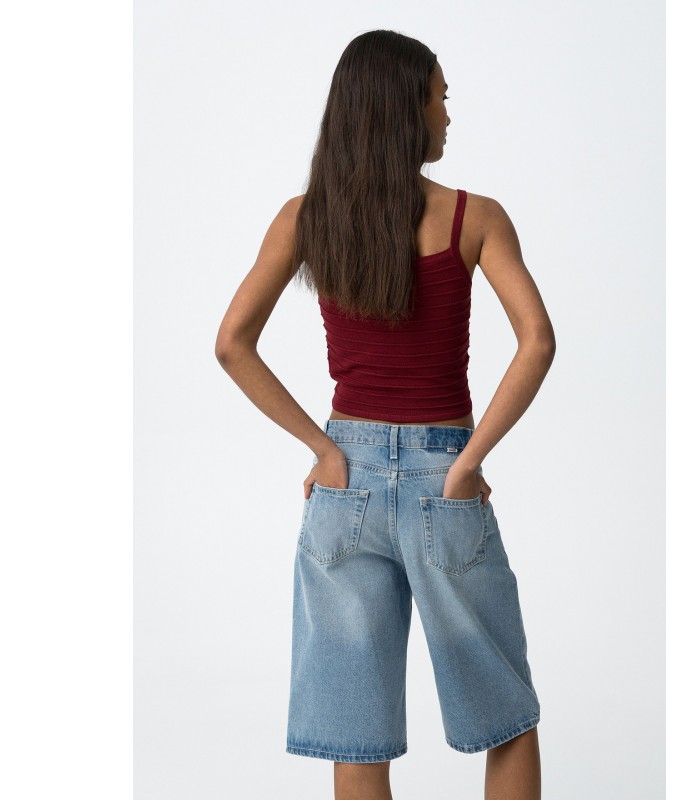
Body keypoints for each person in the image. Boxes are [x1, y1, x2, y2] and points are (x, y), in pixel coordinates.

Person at [215, 29, 555, 800]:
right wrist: (467, 463)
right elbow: (537, 340)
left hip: (346, 487)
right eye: (440, 97)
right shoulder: (473, 217)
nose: (447, 114)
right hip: (445, 480)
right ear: (406, 108)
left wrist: (323, 449)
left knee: (357, 737)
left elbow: (232, 343)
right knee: (505, 715)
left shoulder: (306, 218)